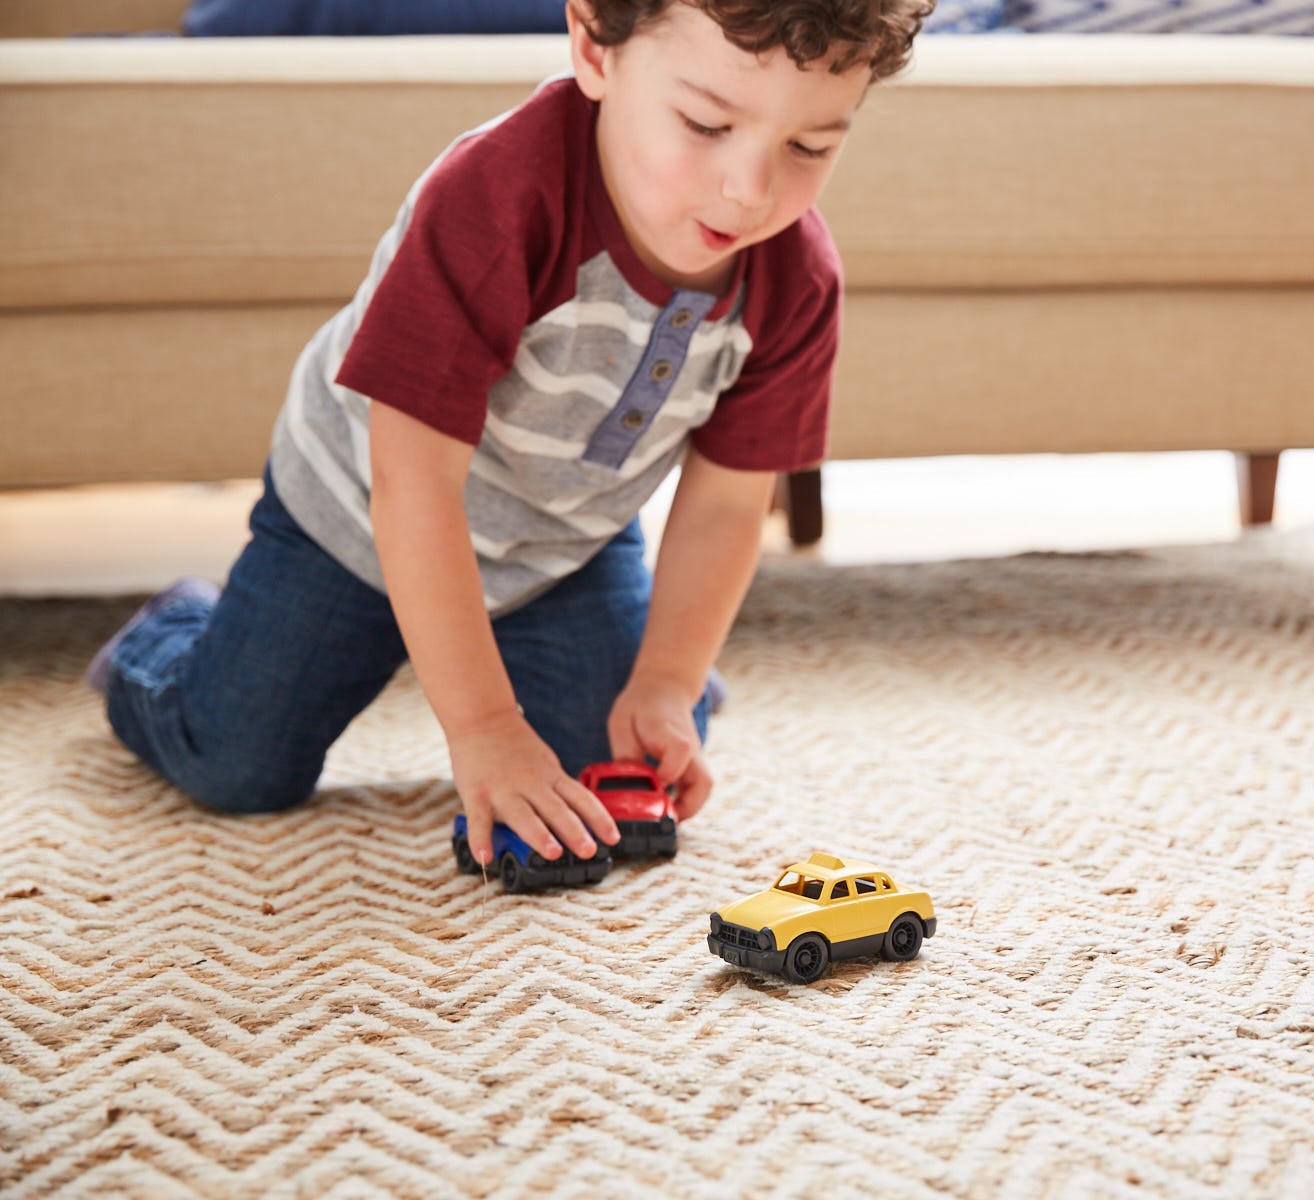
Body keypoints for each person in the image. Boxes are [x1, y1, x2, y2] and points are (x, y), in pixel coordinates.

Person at [86, 0, 933, 870]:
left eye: (809, 147)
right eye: (706, 124)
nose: (749, 189)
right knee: (236, 762)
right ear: (594, 45)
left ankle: (641, 663)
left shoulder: (797, 280)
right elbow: (413, 479)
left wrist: (668, 680)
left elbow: (725, 505)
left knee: (619, 754)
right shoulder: (496, 196)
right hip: (355, 515)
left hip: (563, 543)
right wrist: (484, 728)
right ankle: (170, 636)